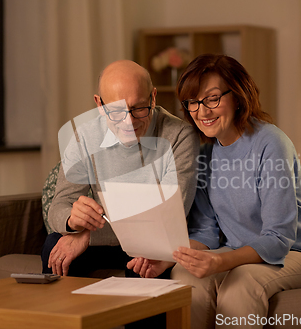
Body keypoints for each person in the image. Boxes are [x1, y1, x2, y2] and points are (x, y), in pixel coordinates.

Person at [129, 54, 301, 329]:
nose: (202, 111)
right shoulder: (203, 154)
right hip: (237, 253)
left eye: (212, 99)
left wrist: (221, 261)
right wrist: (168, 257)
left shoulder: (270, 143)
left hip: (299, 253)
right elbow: (205, 233)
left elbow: (278, 237)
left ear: (237, 96)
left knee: (240, 285)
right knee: (186, 278)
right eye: (193, 102)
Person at [41, 60, 199, 279]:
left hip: (152, 241)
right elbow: (58, 206)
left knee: (145, 261)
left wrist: (88, 237)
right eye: (116, 111)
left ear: (153, 97)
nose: (128, 121)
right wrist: (72, 220)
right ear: (99, 104)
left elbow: (169, 217)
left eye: (139, 108)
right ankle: (66, 313)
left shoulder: (180, 136)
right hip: (107, 240)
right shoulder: (84, 137)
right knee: (53, 246)